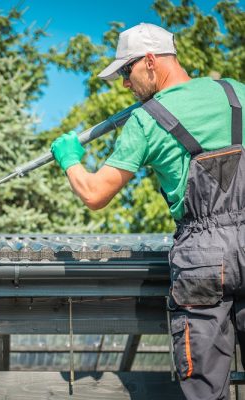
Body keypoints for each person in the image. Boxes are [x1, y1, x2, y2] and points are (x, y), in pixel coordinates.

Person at [51, 22, 244, 400]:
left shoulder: (146, 120)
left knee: (206, 391)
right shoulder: (236, 93)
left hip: (203, 257)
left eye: (126, 71)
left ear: (151, 62)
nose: (125, 83)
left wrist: (70, 160)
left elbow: (94, 194)